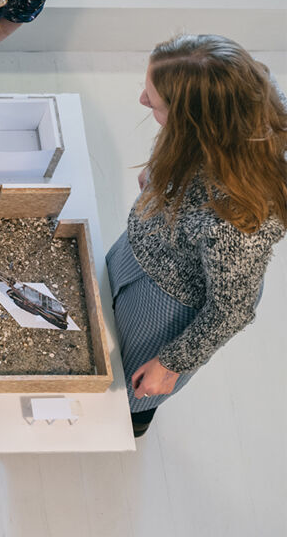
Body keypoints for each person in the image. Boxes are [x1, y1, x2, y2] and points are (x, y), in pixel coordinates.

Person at [109, 34, 287, 438]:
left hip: (168, 300)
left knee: (129, 385)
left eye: (153, 103)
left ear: (194, 122)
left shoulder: (234, 224)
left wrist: (170, 364)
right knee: (103, 317)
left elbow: (232, 310)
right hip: (143, 249)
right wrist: (160, 172)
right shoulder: (247, 94)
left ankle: (131, 421)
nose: (141, 100)